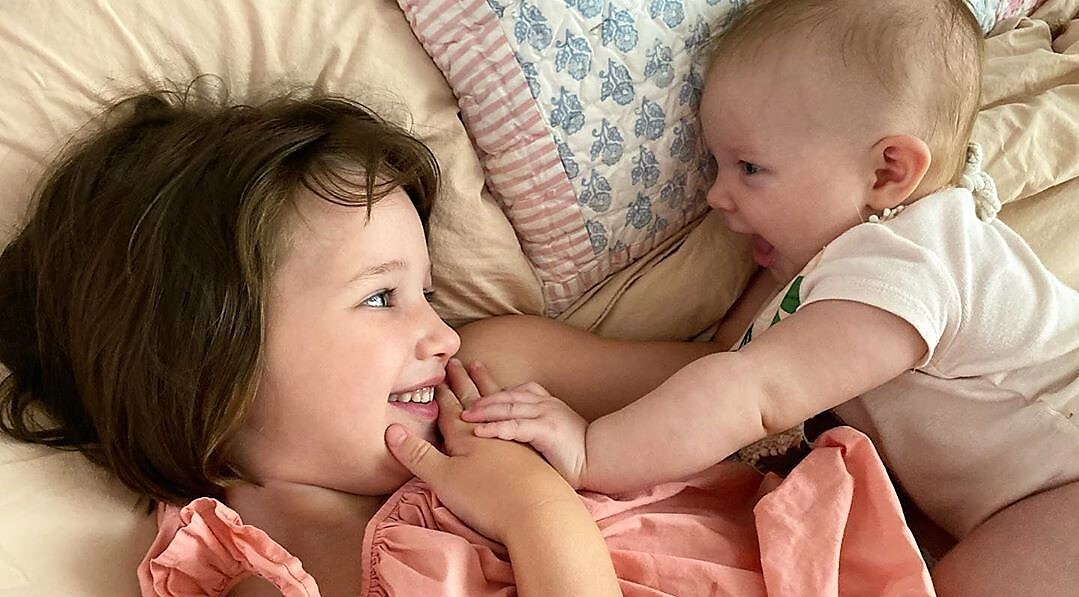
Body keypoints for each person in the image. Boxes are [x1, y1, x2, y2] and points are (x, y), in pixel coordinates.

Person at [456, 0, 1079, 594]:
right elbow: (737, 353)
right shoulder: (849, 251)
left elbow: (752, 394)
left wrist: (592, 452)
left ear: (886, 171)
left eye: (749, 168)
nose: (716, 196)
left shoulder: (905, 266)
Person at [0, 89, 621, 596]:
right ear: (211, 363)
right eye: (380, 297)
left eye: (428, 293)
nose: (442, 335)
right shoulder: (276, 580)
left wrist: (590, 449)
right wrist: (538, 512)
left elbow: (692, 385)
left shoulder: (492, 382)